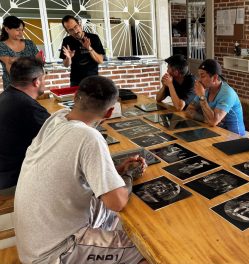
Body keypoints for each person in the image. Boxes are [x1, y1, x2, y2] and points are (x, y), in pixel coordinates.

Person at [14, 76, 147, 263]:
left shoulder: (56, 119)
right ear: (109, 113)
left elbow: (70, 171)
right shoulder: (89, 136)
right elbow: (117, 202)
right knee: (146, 249)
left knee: (110, 215)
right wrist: (128, 174)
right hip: (54, 252)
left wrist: (114, 172)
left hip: (34, 242)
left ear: (75, 96)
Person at [0, 57, 49, 195]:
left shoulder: (7, 96)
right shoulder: (28, 107)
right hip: (12, 181)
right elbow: (62, 137)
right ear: (36, 82)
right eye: (44, 78)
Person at [185, 59, 245, 136]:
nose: (199, 80)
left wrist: (202, 97)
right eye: (199, 76)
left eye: (202, 76)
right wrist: (206, 119)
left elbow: (213, 121)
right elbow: (189, 111)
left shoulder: (227, 93)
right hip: (214, 131)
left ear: (214, 78)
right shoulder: (205, 89)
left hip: (234, 136)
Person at [59, 15, 105, 86]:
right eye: (71, 30)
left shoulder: (94, 38)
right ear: (67, 31)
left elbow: (100, 60)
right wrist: (69, 58)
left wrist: (89, 48)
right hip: (76, 81)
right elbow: (66, 65)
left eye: (75, 27)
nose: (75, 31)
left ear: (80, 25)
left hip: (93, 80)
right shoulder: (67, 41)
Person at [0, 16, 41, 89]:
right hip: (13, 86)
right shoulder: (1, 45)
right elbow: (9, 64)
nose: (21, 33)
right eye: (17, 30)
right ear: (7, 29)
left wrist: (15, 60)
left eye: (22, 30)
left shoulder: (29, 43)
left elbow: (39, 61)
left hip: (32, 84)